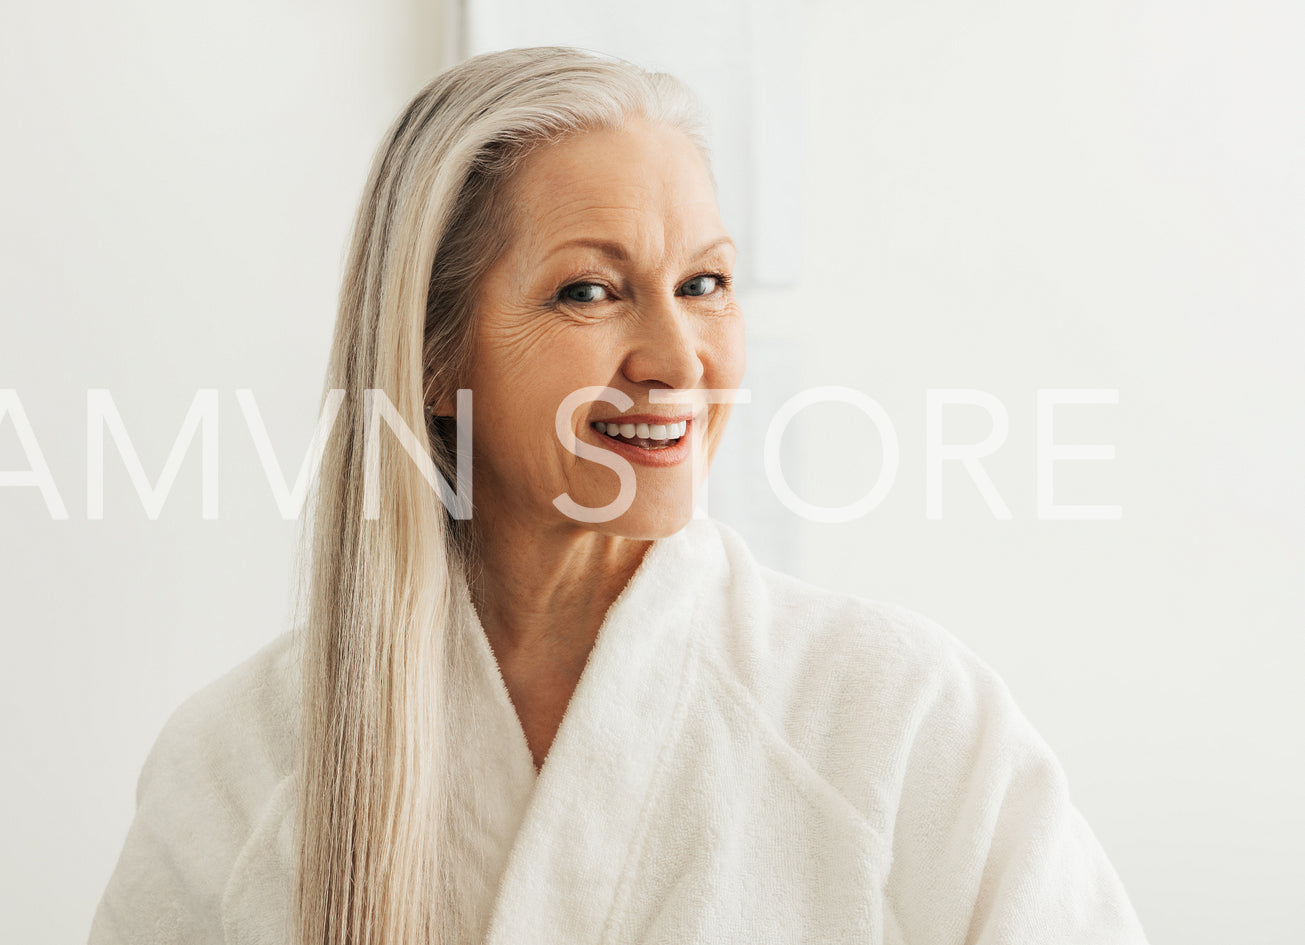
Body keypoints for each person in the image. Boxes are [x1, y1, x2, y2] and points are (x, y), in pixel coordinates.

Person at [89, 46, 1150, 945]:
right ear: (431, 359)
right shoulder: (237, 766)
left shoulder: (904, 720)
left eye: (703, 284)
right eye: (588, 292)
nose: (675, 358)